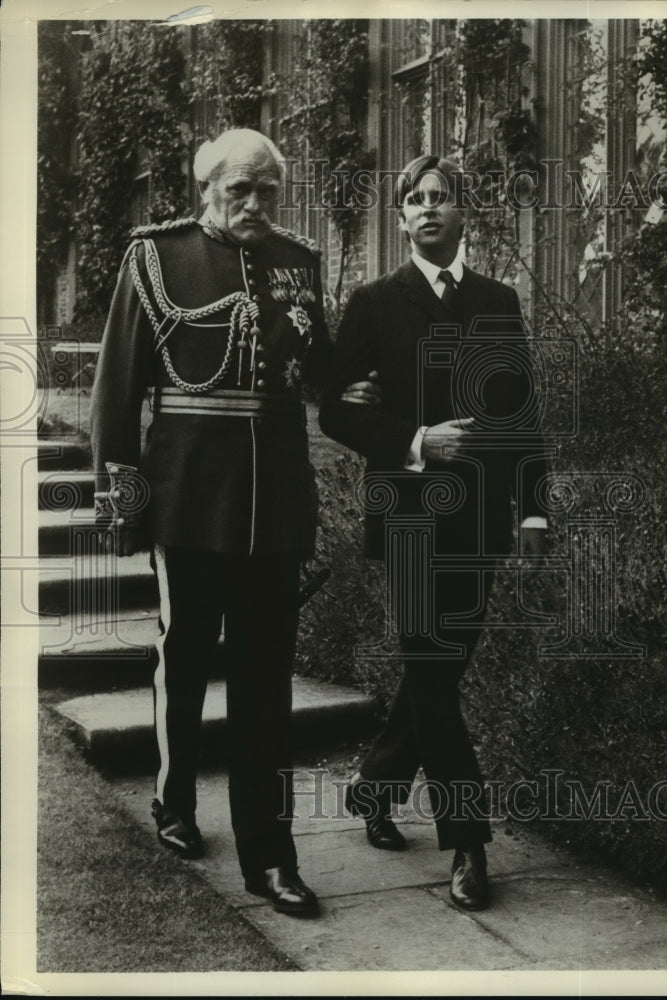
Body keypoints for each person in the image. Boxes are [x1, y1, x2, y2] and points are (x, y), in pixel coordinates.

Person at [90, 128, 378, 916]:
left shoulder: (298, 261)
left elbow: (318, 375)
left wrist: (381, 378)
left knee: (265, 686)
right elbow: (118, 390)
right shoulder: (154, 257)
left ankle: (270, 857)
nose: (254, 204)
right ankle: (175, 801)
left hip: (276, 503)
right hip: (186, 497)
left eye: (267, 192)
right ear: (206, 190)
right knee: (185, 657)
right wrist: (122, 500)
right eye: (238, 190)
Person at [319, 154, 549, 911]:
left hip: (480, 521)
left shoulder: (498, 300)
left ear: (462, 214)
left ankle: (373, 786)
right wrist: (418, 439)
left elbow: (520, 415)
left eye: (440, 198)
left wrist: (536, 509)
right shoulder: (373, 303)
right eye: (413, 200)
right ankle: (469, 845)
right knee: (435, 677)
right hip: (413, 520)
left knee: (437, 676)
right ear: (401, 218)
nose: (426, 209)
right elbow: (338, 413)